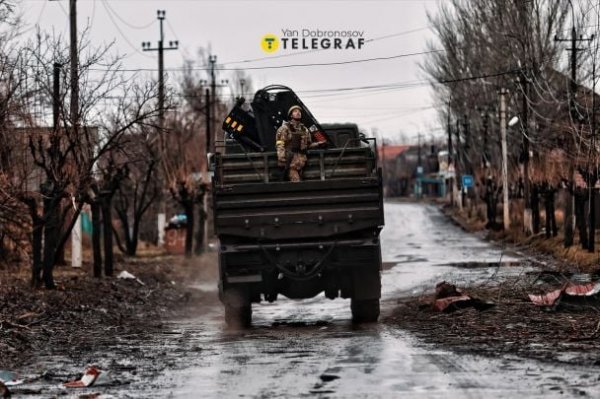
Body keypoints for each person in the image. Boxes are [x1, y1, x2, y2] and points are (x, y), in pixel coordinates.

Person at [275, 105, 318, 182]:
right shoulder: (285, 128)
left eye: (299, 111)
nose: (298, 113)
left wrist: (318, 144)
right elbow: (280, 143)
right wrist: (281, 158)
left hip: (301, 163)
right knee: (297, 184)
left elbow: (308, 144)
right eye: (295, 111)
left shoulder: (304, 129)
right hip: (291, 163)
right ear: (291, 115)